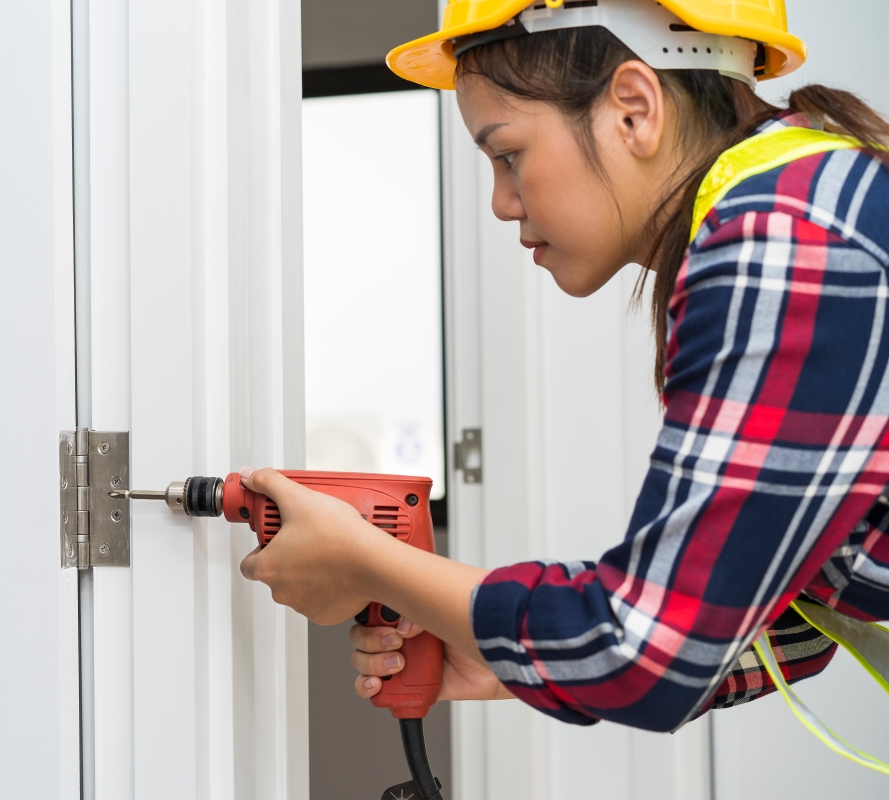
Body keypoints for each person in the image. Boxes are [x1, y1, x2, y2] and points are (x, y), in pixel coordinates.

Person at [238, 0, 889, 742]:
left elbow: (645, 653)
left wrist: (368, 564)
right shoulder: (806, 209)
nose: (500, 202)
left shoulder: (782, 244)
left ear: (634, 110)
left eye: (507, 153)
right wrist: (514, 655)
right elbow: (768, 613)